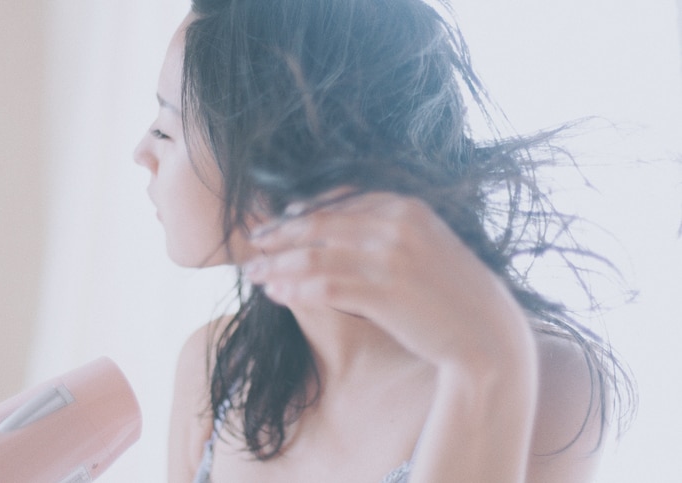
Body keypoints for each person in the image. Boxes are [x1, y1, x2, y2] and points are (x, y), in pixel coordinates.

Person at [133, 1, 634, 481]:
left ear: (276, 157)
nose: (141, 154)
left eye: (164, 130)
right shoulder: (216, 365)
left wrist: (487, 368)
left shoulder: (544, 379)